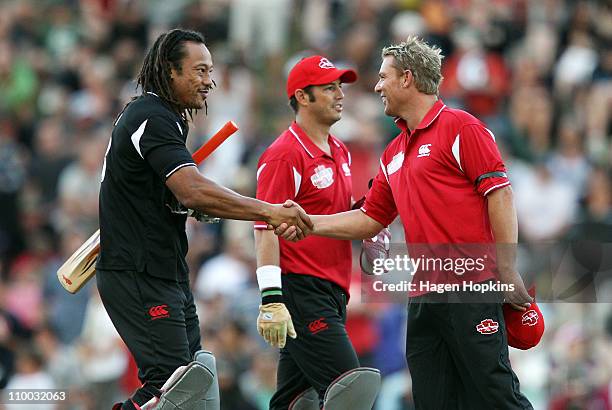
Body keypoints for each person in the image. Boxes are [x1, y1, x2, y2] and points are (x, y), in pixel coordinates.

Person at [279, 36, 535, 409]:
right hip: (423, 299)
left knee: (494, 395)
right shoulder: (394, 152)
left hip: (472, 287)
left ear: (407, 78)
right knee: (431, 401)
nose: (377, 85)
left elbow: (501, 194)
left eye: (384, 77)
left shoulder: (461, 127)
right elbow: (369, 219)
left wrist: (507, 270)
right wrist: (308, 222)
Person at [95, 29, 312, 410]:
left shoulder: (166, 118)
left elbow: (175, 196)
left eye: (210, 71)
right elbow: (192, 189)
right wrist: (268, 209)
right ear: (169, 70)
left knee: (197, 375)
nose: (208, 81)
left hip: (164, 271)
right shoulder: (152, 116)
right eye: (199, 71)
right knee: (170, 385)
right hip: (137, 272)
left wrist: (188, 205)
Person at [253, 56, 380, 410]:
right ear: (302, 97)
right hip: (302, 290)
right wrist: (271, 298)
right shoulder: (284, 155)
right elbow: (264, 228)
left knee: (294, 403)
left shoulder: (339, 150)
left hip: (333, 290)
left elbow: (339, 215)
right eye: (328, 88)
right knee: (351, 393)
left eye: (340, 86)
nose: (340, 94)